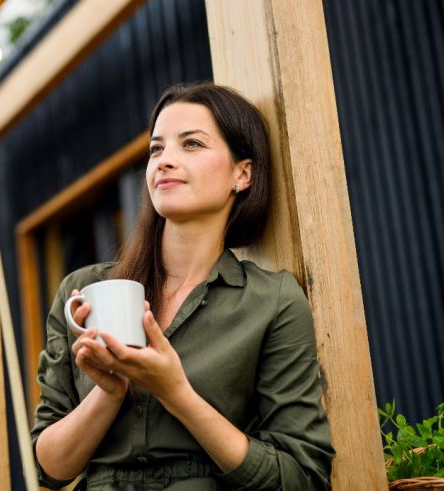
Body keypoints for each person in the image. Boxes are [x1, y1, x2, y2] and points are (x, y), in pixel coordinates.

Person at [31, 82, 335, 490]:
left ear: (241, 174)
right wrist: (109, 392)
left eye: (191, 144)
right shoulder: (87, 290)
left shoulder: (272, 301)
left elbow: (301, 478)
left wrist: (175, 392)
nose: (165, 161)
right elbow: (50, 469)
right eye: (157, 149)